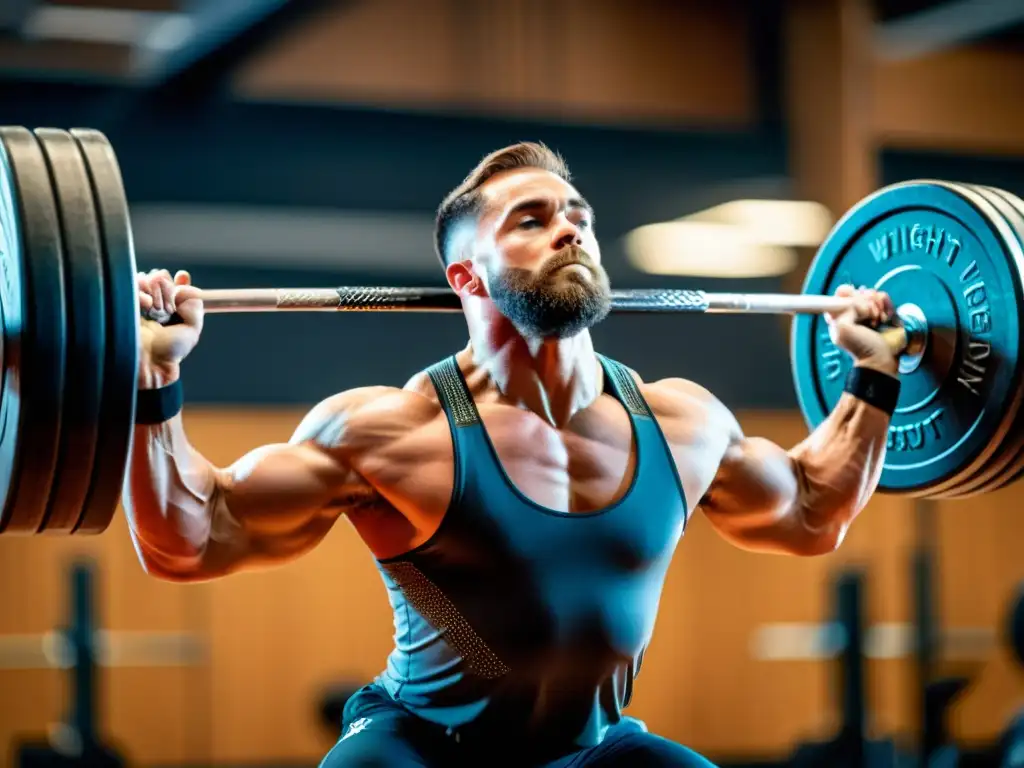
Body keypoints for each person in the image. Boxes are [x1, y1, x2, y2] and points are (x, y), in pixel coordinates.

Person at [125, 142, 900, 767]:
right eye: (530, 221)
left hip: (592, 752)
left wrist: (874, 376)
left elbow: (807, 513)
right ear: (466, 276)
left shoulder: (681, 423)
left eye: (577, 217)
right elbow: (191, 539)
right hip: (423, 745)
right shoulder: (393, 433)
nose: (570, 230)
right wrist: (154, 375)